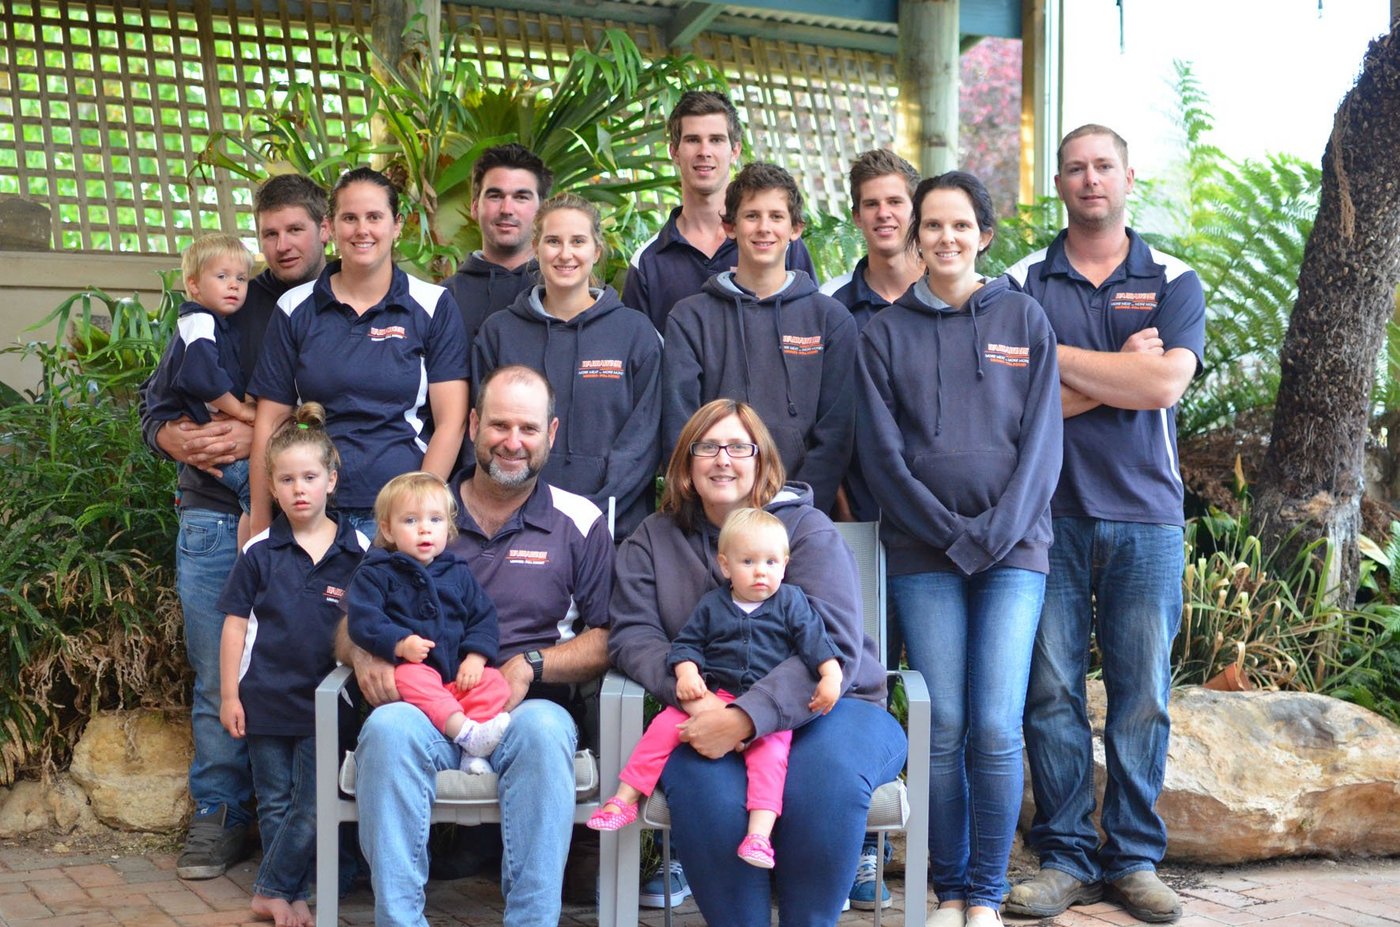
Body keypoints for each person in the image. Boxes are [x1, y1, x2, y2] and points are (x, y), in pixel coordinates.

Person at [1002, 125, 1205, 925]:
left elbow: (1161, 385)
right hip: (1044, 514)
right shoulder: (1021, 280)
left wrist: (1062, 359)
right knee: (1048, 692)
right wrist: (1116, 361)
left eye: (1104, 166)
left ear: (1129, 176)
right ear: (1057, 181)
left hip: (1148, 516)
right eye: (1077, 168)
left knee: (1141, 695)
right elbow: (1015, 399)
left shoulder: (1173, 277)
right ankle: (1064, 855)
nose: (1091, 179)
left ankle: (1133, 858)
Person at [609, 398, 906, 926]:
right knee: (708, 789)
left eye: (738, 448)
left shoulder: (807, 530)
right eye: (707, 447)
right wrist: (691, 692)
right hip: (705, 706)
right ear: (685, 463)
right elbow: (635, 633)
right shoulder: (651, 540)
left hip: (834, 708)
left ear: (762, 461)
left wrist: (748, 717)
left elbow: (832, 637)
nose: (723, 460)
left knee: (825, 782)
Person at [856, 171, 1063, 927]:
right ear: (916, 236)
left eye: (960, 225)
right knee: (938, 724)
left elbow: (1044, 445)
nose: (946, 238)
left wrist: (996, 530)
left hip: (1014, 551)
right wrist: (949, 531)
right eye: (932, 225)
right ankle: (948, 888)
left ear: (985, 234)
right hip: (924, 551)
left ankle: (985, 892)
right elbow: (882, 456)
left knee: (997, 723)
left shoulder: (1026, 318)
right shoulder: (883, 332)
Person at [338, 365, 614, 927]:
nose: (513, 442)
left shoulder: (578, 521)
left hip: (527, 706)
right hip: (425, 704)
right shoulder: (415, 511)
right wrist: (365, 654)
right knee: (387, 731)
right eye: (500, 425)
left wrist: (530, 666)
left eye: (529, 429)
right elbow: (350, 621)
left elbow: (610, 637)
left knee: (542, 735)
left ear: (552, 434)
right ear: (471, 425)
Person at [141, 174, 329, 880]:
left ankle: (307, 823)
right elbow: (155, 407)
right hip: (218, 519)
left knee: (312, 668)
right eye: (269, 233)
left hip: (313, 526)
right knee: (218, 669)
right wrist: (175, 441)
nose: (281, 245)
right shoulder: (225, 303)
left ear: (325, 230)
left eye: (295, 231)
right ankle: (222, 811)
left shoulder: (338, 304)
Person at [588, 507, 842, 872]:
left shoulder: (791, 603)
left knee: (771, 759)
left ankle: (759, 835)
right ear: (726, 566)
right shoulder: (712, 605)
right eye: (748, 561)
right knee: (663, 728)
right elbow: (687, 644)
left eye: (771, 562)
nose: (760, 571)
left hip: (766, 708)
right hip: (715, 694)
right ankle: (624, 799)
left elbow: (816, 644)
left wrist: (830, 677)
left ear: (784, 565)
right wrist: (687, 672)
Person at [248, 167, 469, 539]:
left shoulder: (433, 305)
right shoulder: (294, 308)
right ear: (330, 227)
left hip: (398, 512)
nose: (361, 230)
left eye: (374, 217)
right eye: (349, 218)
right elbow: (268, 426)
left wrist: (416, 512)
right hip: (312, 512)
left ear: (396, 225)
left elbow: (452, 423)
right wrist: (260, 524)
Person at [217, 403, 371, 927]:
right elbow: (235, 626)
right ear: (272, 486)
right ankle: (294, 893)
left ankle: (269, 888)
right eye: (286, 479)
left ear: (332, 479)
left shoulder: (360, 551)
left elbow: (371, 628)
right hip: (263, 699)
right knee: (276, 805)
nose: (299, 489)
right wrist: (231, 696)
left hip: (327, 706)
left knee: (313, 803)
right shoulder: (259, 551)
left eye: (309, 477)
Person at [662, 162, 856, 516]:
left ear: (796, 228)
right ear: (730, 227)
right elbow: (680, 423)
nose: (764, 228)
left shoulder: (830, 320)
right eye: (751, 216)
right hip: (714, 511)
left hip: (800, 512)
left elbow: (836, 433)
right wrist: (716, 505)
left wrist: (796, 505)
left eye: (776, 216)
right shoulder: (690, 318)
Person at [472, 194, 662, 539]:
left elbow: (643, 441)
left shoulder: (635, 333)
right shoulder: (499, 332)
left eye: (578, 241)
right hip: (516, 526)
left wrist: (593, 512)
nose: (565, 254)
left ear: (596, 250)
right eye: (553, 241)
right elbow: (482, 432)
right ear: (536, 248)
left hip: (614, 528)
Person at [346, 472, 513, 771]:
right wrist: (399, 643)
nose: (425, 530)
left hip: (458, 677)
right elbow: (363, 619)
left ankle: (471, 754)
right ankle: (466, 734)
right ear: (387, 529)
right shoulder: (376, 572)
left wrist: (476, 657)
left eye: (435, 520)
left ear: (448, 528)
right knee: (409, 676)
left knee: (496, 682)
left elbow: (483, 616)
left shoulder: (458, 572)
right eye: (410, 521)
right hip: (417, 675)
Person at [624, 90, 817, 334]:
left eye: (716, 140)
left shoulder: (778, 242)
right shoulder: (648, 262)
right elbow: (638, 357)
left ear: (735, 150)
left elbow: (811, 331)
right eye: (693, 139)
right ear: (674, 151)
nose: (704, 151)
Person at [820, 149, 923, 526]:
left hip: (946, 509)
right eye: (872, 204)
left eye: (896, 201)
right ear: (856, 217)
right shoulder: (829, 304)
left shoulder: (952, 294)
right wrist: (842, 504)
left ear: (916, 210)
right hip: (862, 512)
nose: (884, 213)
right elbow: (823, 415)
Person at [145, 233, 257, 523]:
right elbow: (203, 379)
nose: (233, 284)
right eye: (222, 276)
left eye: (242, 279)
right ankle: (256, 555)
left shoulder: (217, 324)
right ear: (193, 285)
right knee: (255, 490)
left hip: (203, 423)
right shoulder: (200, 322)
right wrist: (242, 411)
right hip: (193, 424)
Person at [443, 143, 553, 352]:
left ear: (543, 211)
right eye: (495, 196)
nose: (507, 209)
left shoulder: (568, 292)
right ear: (475, 207)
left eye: (521, 197)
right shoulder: (444, 299)